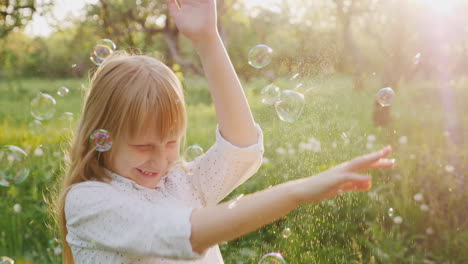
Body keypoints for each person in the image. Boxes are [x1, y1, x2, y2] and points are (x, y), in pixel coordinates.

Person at [54, 0, 396, 263]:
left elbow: (241, 150)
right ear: (102, 136)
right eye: (143, 145)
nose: (160, 159)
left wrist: (207, 39)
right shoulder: (89, 202)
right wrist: (299, 191)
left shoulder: (177, 182)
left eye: (171, 142)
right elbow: (188, 234)